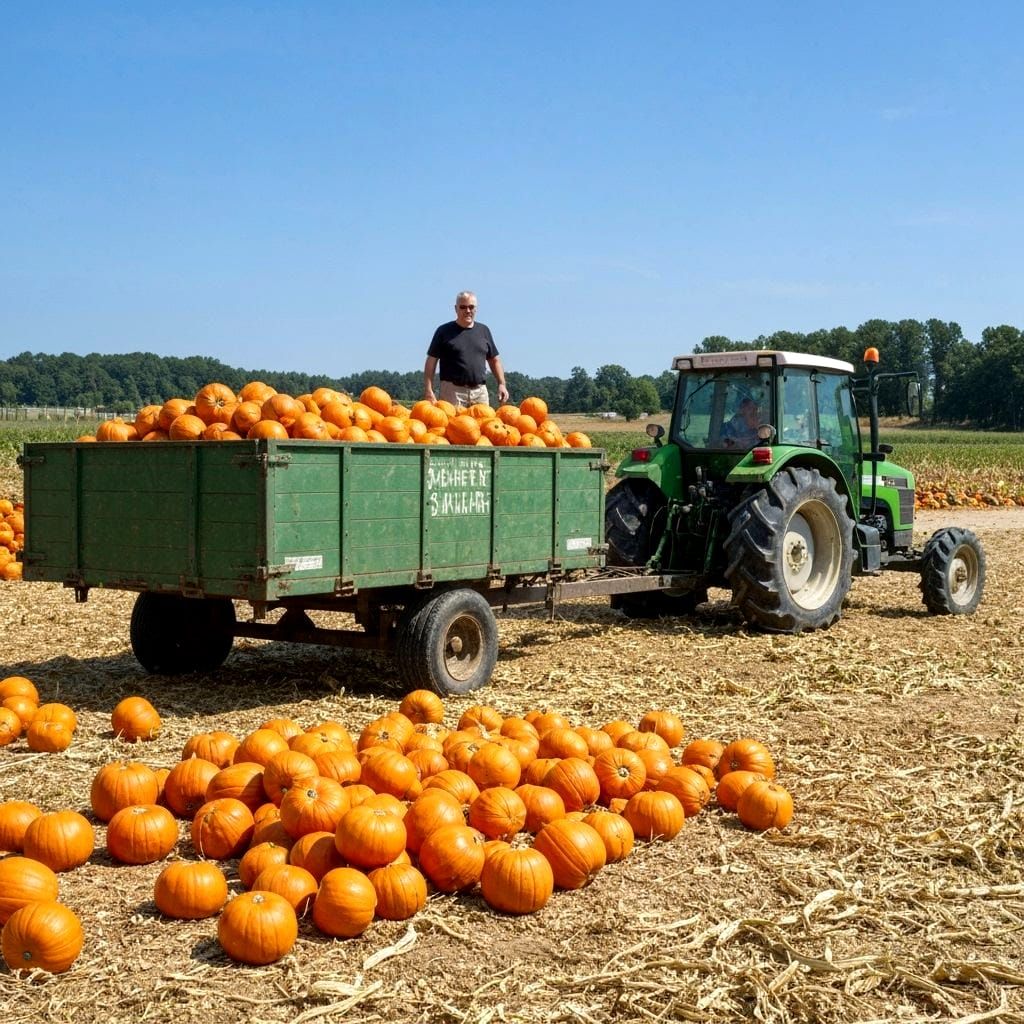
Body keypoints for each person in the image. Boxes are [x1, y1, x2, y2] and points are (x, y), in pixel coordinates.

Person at [424, 291, 510, 408]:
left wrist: (502, 384)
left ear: (476, 309)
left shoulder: (484, 331)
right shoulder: (443, 331)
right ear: (456, 309)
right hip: (453, 392)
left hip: (480, 392)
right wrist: (429, 389)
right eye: (463, 307)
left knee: (484, 425)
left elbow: (494, 360)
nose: (467, 310)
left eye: (471, 307)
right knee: (455, 425)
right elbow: (431, 361)